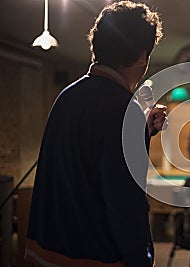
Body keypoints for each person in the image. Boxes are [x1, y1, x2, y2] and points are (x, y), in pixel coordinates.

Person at [25, 2, 165, 267]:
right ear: (142, 56)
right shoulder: (125, 110)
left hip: (44, 252)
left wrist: (142, 132)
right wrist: (142, 260)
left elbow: (85, 160)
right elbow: (126, 205)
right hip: (94, 257)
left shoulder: (66, 96)